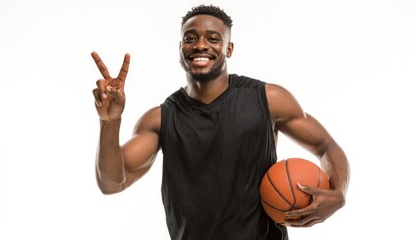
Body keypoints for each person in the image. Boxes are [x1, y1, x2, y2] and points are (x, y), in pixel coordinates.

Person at [91, 4, 350, 240]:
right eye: (189, 38)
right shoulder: (160, 118)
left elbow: (326, 146)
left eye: (212, 38)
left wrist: (338, 192)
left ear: (228, 48)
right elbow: (113, 182)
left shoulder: (269, 99)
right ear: (180, 49)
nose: (200, 45)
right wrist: (110, 122)